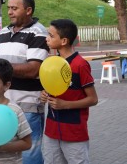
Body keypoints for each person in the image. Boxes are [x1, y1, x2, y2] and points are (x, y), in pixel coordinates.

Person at [0, 0, 49, 164]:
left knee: (30, 156)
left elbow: (33, 70)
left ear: (28, 10)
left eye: (15, 8)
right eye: (9, 8)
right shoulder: (4, 32)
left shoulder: (39, 33)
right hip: (1, 106)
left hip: (27, 105)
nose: (10, 12)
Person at [40, 19, 98, 164]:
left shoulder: (80, 65)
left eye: (51, 36)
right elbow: (52, 88)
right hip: (51, 131)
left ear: (64, 40)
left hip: (74, 133)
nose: (47, 38)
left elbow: (93, 99)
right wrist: (44, 94)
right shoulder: (52, 62)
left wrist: (65, 104)